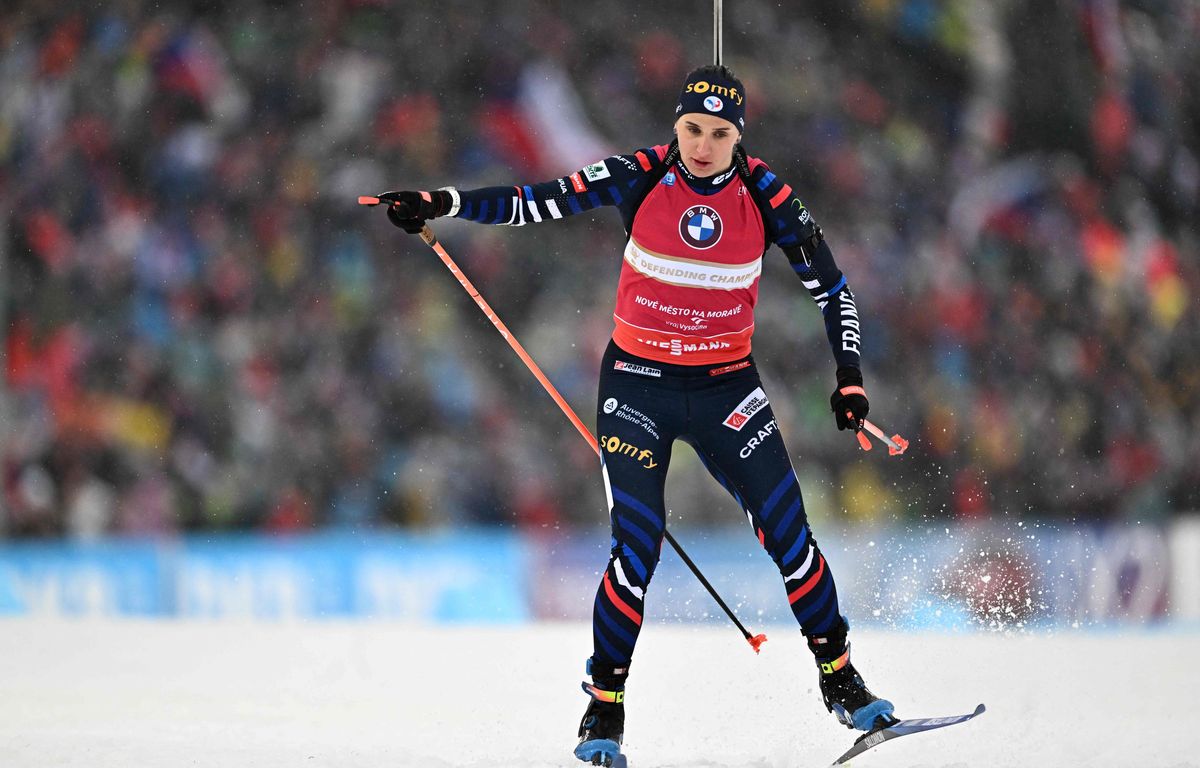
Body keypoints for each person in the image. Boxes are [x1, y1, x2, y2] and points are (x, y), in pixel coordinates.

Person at [373, 65, 894, 766]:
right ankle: (603, 710)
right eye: (691, 130)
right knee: (636, 550)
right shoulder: (642, 173)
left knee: (791, 536)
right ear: (675, 127)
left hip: (725, 389)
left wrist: (850, 381)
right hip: (638, 387)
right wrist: (444, 200)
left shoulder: (769, 196)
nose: (701, 146)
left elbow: (832, 290)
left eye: (717, 133)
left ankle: (841, 680)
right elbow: (535, 201)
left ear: (738, 137)